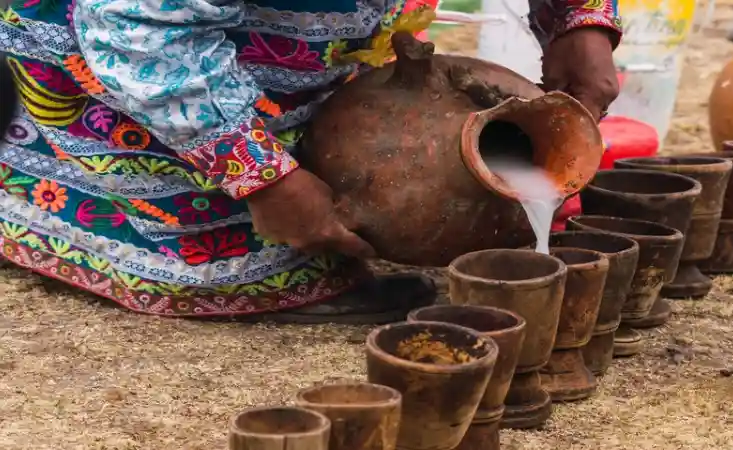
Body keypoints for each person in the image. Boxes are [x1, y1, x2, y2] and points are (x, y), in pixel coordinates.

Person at [0, 0, 621, 323]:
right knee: (246, 248)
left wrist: (579, 21)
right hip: (118, 44)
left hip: (275, 47)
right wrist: (259, 174)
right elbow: (138, 29)